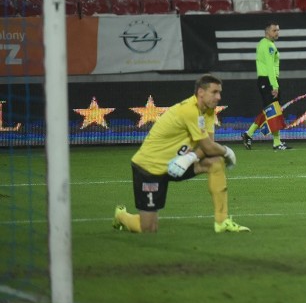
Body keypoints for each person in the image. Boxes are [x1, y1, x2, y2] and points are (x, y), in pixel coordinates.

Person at [112, 74, 249, 234]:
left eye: (220, 92)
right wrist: (227, 151)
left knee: (215, 162)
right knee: (148, 228)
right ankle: (121, 216)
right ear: (201, 92)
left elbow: (207, 147)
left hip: (177, 164)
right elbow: (210, 147)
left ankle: (222, 221)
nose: (219, 97)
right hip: (150, 168)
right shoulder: (189, 111)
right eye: (214, 92)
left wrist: (190, 158)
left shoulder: (209, 112)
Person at [242, 22, 289, 151]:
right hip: (268, 81)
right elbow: (270, 67)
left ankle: (248, 134)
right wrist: (274, 85)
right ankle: (276, 142)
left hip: (267, 80)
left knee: (270, 111)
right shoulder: (268, 46)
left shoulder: (265, 44)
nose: (277, 33)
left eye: (278, 30)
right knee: (273, 111)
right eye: (274, 30)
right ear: (267, 32)